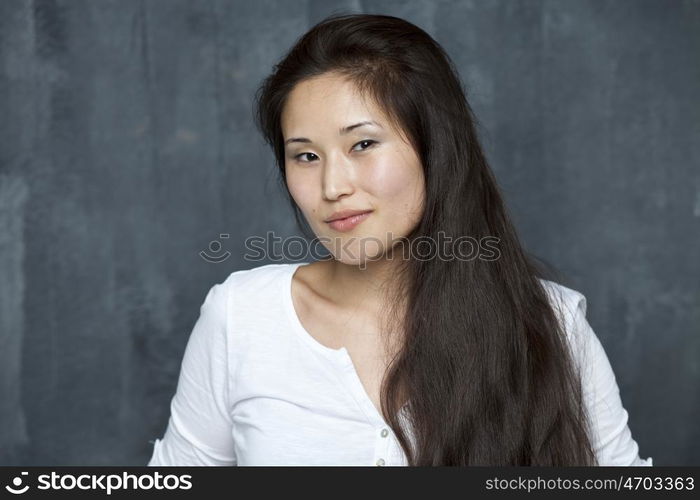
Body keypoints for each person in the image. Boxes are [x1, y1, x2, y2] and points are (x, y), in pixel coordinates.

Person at [147, 13, 652, 466]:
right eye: (305, 156)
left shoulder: (548, 322)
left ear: (435, 148)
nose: (333, 187)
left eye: (363, 144)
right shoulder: (242, 317)